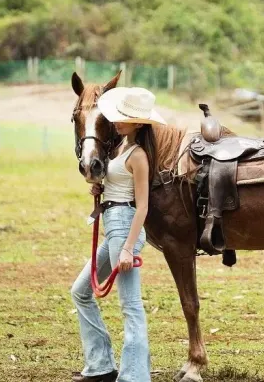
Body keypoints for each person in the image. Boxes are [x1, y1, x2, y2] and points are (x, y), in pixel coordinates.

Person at [70, 87, 166, 382]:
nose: (117, 121)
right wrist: (101, 188)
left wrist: (127, 248)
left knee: (130, 305)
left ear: (138, 123)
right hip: (113, 226)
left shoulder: (139, 156)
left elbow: (142, 206)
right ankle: (100, 365)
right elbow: (118, 184)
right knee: (80, 291)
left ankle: (134, 376)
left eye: (124, 117)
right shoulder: (121, 149)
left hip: (125, 228)